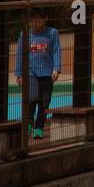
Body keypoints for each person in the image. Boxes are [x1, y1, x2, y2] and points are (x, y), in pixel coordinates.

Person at [16, 8, 61, 139]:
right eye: (31, 21)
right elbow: (20, 55)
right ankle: (29, 123)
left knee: (44, 102)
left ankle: (39, 127)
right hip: (31, 73)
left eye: (37, 21)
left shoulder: (52, 33)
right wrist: (19, 74)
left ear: (45, 19)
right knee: (31, 100)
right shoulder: (24, 35)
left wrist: (56, 68)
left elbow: (56, 51)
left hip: (47, 73)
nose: (34, 24)